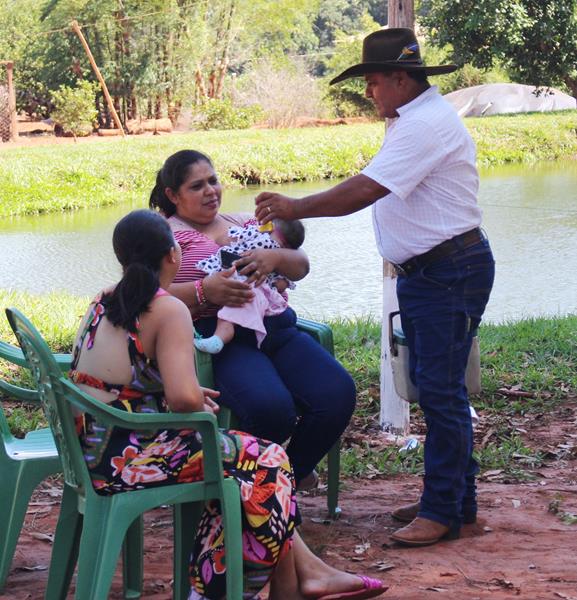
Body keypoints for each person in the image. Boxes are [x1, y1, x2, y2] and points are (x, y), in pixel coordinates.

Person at [255, 28, 496, 547]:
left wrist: (296, 207)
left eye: (374, 81)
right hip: (436, 271)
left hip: (446, 272)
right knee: (438, 388)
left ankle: (443, 509)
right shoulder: (412, 119)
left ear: (401, 78)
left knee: (440, 392)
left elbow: (364, 190)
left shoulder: (423, 125)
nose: (369, 92)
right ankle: (456, 502)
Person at [69, 209, 387, 600]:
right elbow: (184, 399)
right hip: (132, 457)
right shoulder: (168, 309)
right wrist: (198, 404)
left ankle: (294, 582)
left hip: (92, 445)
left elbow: (118, 379)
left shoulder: (104, 298)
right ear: (174, 255)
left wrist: (184, 397)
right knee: (267, 463)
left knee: (260, 461)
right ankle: (227, 589)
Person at [148, 149, 356, 491]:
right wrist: (204, 291)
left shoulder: (243, 221)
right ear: (172, 195)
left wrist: (273, 257)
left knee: (337, 393)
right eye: (197, 186)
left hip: (275, 329)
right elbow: (147, 294)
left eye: (213, 181)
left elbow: (301, 265)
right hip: (221, 338)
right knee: (270, 408)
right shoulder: (162, 236)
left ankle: (282, 482)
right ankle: (256, 494)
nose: (210, 191)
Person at [194, 217, 305, 353]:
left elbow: (221, 240)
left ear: (270, 228)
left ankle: (219, 338)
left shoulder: (258, 237)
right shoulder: (281, 256)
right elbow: (281, 285)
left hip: (240, 288)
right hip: (267, 308)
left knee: (229, 316)